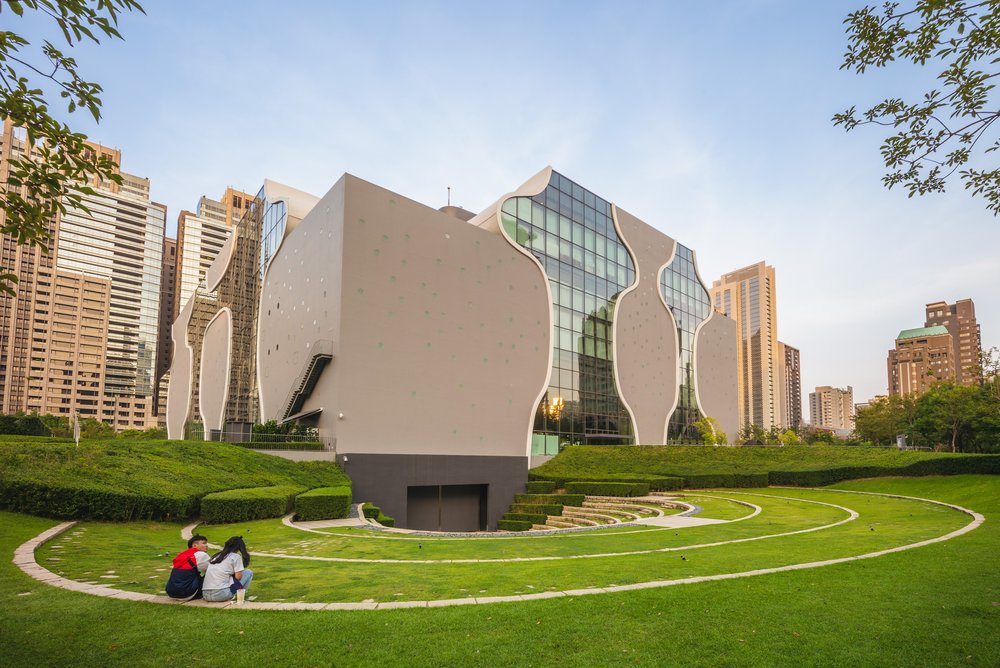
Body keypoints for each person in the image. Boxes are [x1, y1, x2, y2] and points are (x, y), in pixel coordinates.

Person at [202, 536, 254, 603]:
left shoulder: (216, 556)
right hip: (221, 595)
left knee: (229, 578)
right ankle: (241, 595)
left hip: (206, 595)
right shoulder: (236, 557)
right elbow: (238, 577)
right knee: (248, 572)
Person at [165, 534, 210, 600]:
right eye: (204, 543)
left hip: (171, 592)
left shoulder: (182, 555)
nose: (207, 545)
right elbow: (211, 569)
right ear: (194, 545)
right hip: (187, 594)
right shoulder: (201, 554)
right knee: (212, 574)